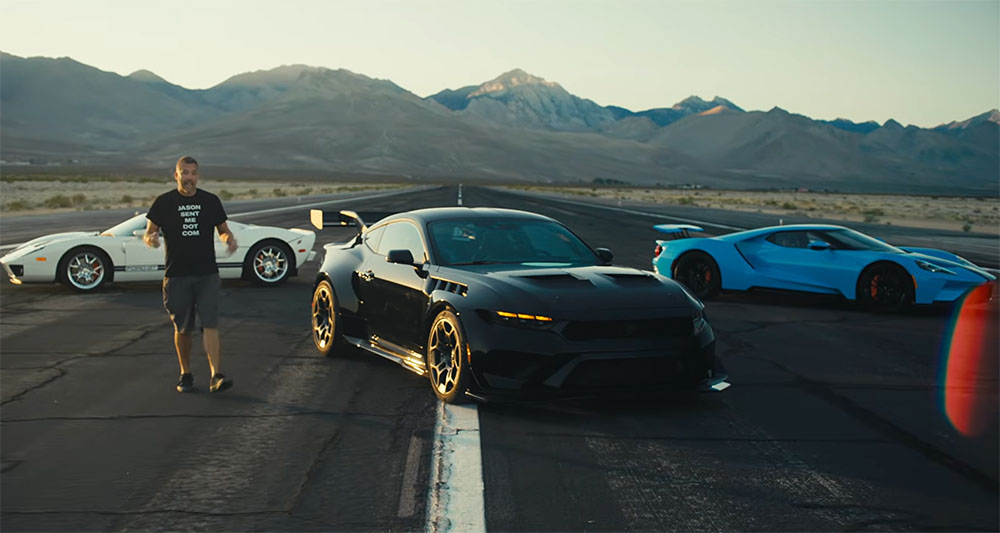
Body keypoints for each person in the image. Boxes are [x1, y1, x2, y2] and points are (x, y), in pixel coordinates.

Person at [144, 156, 238, 393]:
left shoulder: (210, 201)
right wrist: (152, 239)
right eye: (185, 173)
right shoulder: (164, 202)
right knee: (183, 328)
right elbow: (149, 232)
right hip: (177, 275)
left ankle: (216, 374)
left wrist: (229, 239)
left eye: (194, 173)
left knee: (210, 323)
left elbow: (223, 230)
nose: (190, 178)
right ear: (175, 175)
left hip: (206, 273)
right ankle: (185, 372)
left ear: (198, 175)